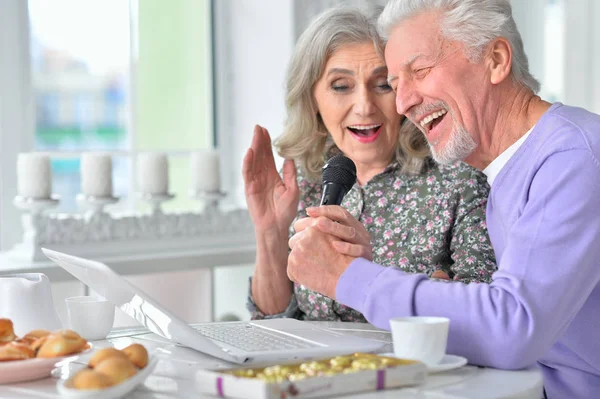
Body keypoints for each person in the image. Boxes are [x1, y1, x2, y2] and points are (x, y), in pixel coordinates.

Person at [286, 0, 600, 397]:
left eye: (419, 71)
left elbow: (512, 327)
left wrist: (348, 276)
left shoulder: (573, 156)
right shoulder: (508, 172)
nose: (402, 104)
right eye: (397, 85)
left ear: (496, 59)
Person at [243, 6, 496, 323]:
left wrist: (365, 273)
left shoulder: (461, 180)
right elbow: (272, 320)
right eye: (340, 85)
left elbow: (479, 318)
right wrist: (270, 233)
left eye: (383, 84)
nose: (364, 107)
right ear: (312, 100)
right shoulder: (305, 181)